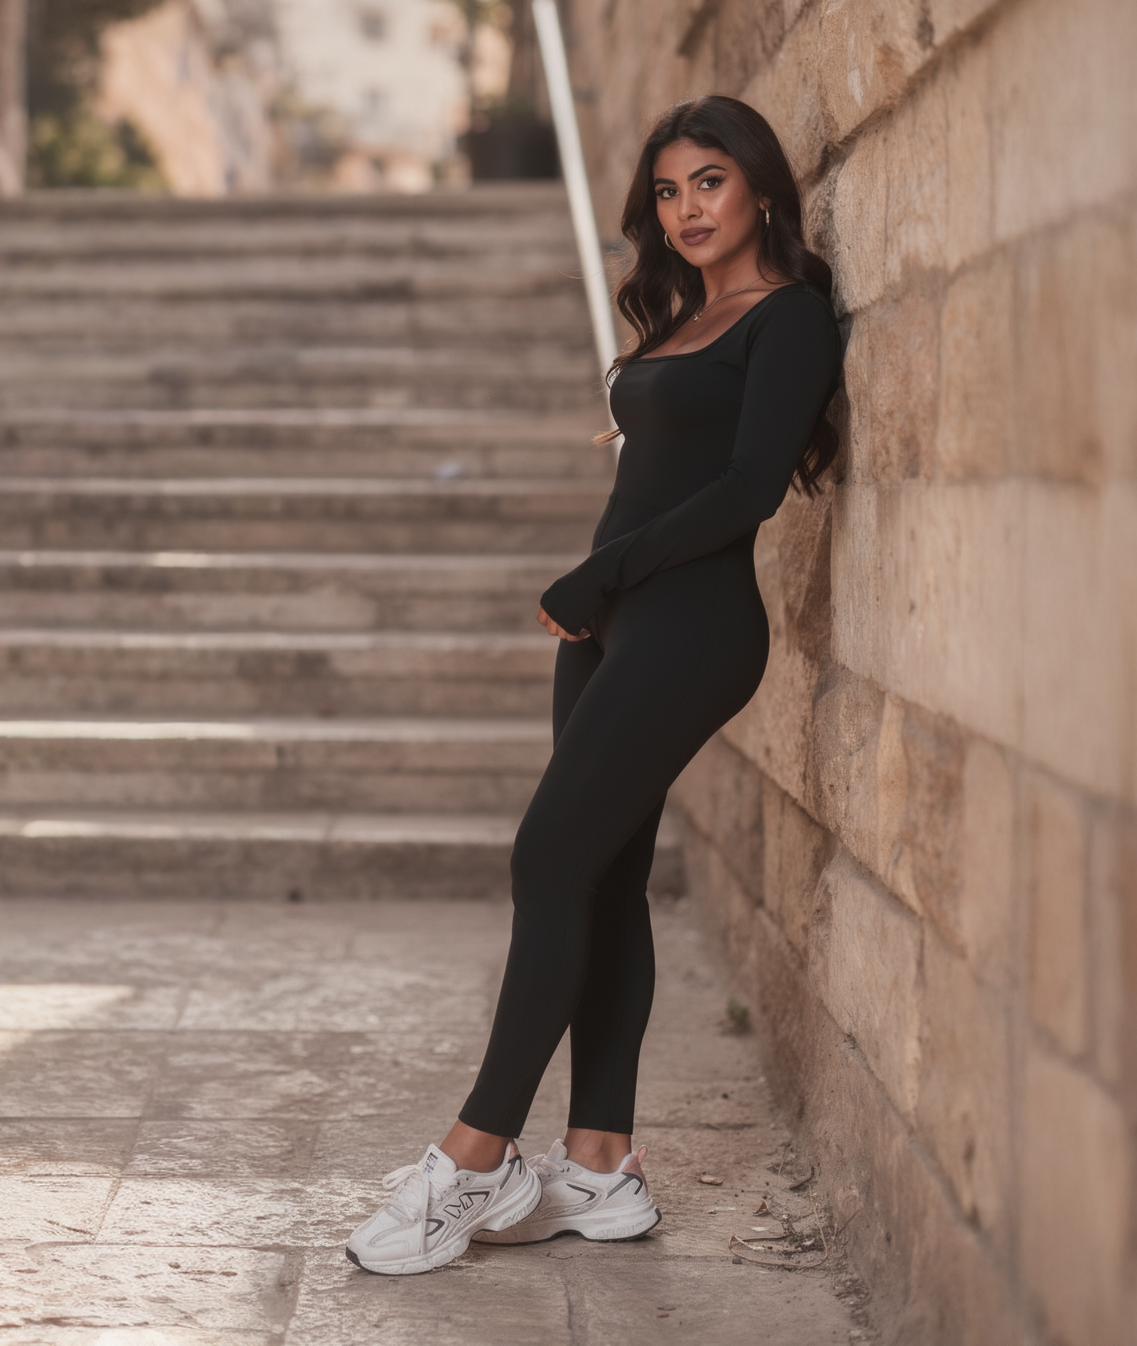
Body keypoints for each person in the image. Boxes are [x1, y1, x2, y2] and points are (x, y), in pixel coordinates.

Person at [345, 95, 842, 1275]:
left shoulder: (788, 321)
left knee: (547, 857)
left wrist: (598, 570)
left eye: (709, 183)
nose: (686, 211)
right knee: (604, 879)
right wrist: (601, 593)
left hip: (693, 626)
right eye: (668, 192)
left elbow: (746, 492)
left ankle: (475, 1158)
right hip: (610, 626)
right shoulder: (687, 311)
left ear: (760, 186)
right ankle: (600, 1172)